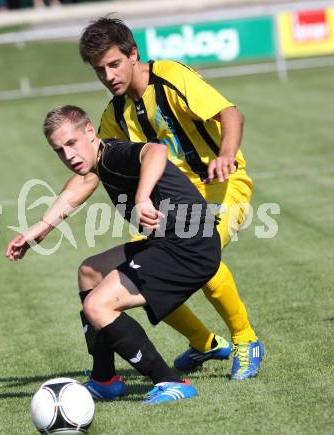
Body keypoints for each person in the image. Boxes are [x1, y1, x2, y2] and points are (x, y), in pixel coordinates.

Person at [76, 17, 264, 387]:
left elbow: (230, 113)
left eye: (114, 64)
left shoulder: (170, 76)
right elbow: (95, 170)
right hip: (173, 204)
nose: (109, 75)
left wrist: (225, 155)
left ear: (133, 54)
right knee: (147, 271)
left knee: (199, 254)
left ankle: (246, 340)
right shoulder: (115, 115)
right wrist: (47, 222)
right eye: (100, 70)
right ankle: (205, 343)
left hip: (223, 184)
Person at [6, 105, 222, 404]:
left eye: (71, 143)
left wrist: (143, 196)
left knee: (98, 306)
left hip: (189, 245)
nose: (68, 155)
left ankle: (170, 381)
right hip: (170, 241)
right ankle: (104, 379)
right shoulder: (99, 163)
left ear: (90, 132)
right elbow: (81, 184)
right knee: (89, 272)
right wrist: (40, 229)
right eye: (59, 150)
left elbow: (156, 152)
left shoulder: (113, 154)